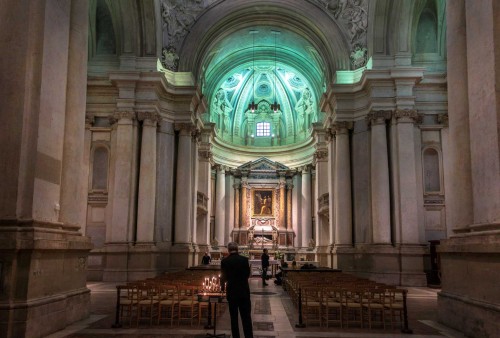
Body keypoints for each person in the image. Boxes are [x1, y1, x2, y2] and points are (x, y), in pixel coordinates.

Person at [221, 242, 254, 338]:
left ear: (228, 250)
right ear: (237, 249)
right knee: (246, 317)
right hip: (244, 292)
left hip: (232, 292)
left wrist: (222, 288)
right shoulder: (244, 260)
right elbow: (247, 275)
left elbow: (223, 278)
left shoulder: (225, 261)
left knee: (234, 318)